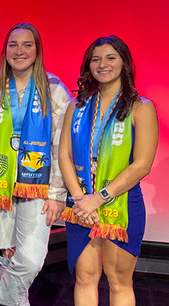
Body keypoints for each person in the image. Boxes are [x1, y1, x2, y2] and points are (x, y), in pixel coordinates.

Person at [59, 35, 158, 306]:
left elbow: (142, 165)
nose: (103, 64)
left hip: (121, 205)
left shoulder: (141, 107)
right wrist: (81, 199)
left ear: (124, 63)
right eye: (96, 59)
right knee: (85, 277)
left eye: (111, 57)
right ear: (88, 65)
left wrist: (97, 198)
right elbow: (64, 156)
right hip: (80, 206)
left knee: (118, 281)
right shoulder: (76, 107)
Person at [0, 22, 71, 306]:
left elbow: (60, 146)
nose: (19, 51)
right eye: (13, 45)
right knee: (7, 252)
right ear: (5, 50)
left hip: (38, 184)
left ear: (37, 50)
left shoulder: (53, 88)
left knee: (30, 259)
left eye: (27, 44)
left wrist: (57, 194)